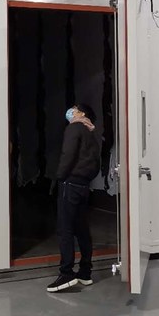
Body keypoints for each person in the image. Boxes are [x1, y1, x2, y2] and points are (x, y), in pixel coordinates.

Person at [47, 103, 100, 293]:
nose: (70, 111)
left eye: (74, 108)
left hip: (70, 183)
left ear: (81, 113)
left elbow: (67, 154)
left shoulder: (74, 128)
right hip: (83, 185)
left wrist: (59, 177)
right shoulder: (90, 132)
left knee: (65, 229)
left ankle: (66, 273)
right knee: (81, 228)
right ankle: (85, 272)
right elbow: (96, 162)